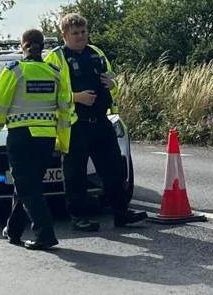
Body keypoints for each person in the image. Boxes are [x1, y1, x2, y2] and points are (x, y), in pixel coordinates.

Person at [45, 13, 147, 231]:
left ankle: (121, 213)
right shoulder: (55, 58)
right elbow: (48, 94)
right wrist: (76, 97)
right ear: (64, 35)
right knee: (75, 176)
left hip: (100, 121)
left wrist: (112, 84)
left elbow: (113, 81)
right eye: (75, 33)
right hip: (74, 124)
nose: (81, 37)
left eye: (83, 32)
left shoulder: (97, 53)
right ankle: (78, 217)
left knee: (114, 170)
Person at [0, 29, 73, 250]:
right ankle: (13, 230)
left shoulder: (14, 71)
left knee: (28, 189)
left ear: (23, 46)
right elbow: (65, 111)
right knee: (26, 185)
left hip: (22, 137)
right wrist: (63, 141)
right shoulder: (54, 72)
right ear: (42, 47)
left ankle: (45, 234)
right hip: (46, 139)